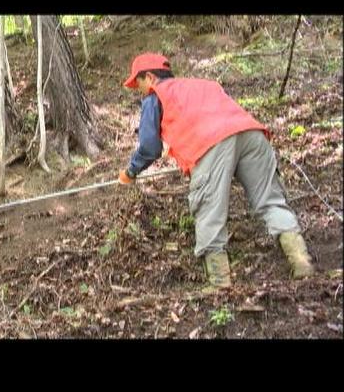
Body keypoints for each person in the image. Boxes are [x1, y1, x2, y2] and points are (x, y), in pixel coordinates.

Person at [118, 52, 315, 291]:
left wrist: (130, 172)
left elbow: (150, 147)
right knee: (271, 200)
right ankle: (302, 263)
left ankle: (220, 283)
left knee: (208, 207)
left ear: (149, 77)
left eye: (138, 84)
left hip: (211, 144)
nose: (139, 90)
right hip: (252, 135)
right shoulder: (203, 85)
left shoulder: (156, 96)